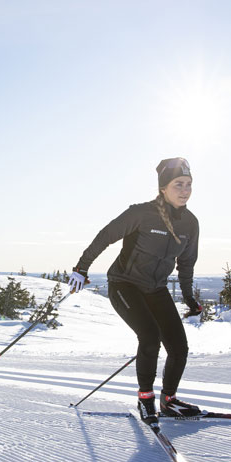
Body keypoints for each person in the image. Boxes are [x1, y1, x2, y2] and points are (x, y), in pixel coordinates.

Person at [68, 157, 203, 423]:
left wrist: (189, 298)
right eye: (179, 184)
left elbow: (186, 264)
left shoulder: (190, 223)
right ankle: (145, 400)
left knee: (179, 346)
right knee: (150, 336)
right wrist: (81, 268)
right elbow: (105, 236)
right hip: (124, 284)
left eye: (189, 184)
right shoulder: (141, 213)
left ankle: (169, 401)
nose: (185, 190)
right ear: (164, 187)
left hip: (156, 289)